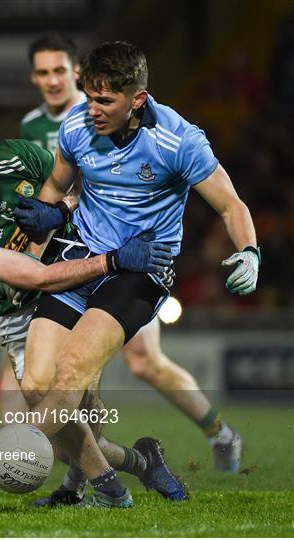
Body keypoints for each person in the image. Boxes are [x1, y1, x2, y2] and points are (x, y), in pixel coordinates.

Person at [13, 40, 261, 508]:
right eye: (89, 97)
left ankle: (6, 458)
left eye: (105, 100)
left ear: (138, 99)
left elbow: (231, 204)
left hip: (142, 270)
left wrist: (249, 251)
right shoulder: (76, 126)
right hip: (82, 255)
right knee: (36, 385)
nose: (93, 109)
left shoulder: (178, 140)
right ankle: (131, 466)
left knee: (72, 375)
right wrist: (46, 219)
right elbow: (57, 184)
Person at [0, 128, 185, 505]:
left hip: (75, 280)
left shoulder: (15, 157)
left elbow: (81, 182)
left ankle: (81, 485)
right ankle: (135, 467)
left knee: (76, 405)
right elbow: (36, 276)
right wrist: (113, 260)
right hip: (21, 307)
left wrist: (62, 209)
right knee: (66, 421)